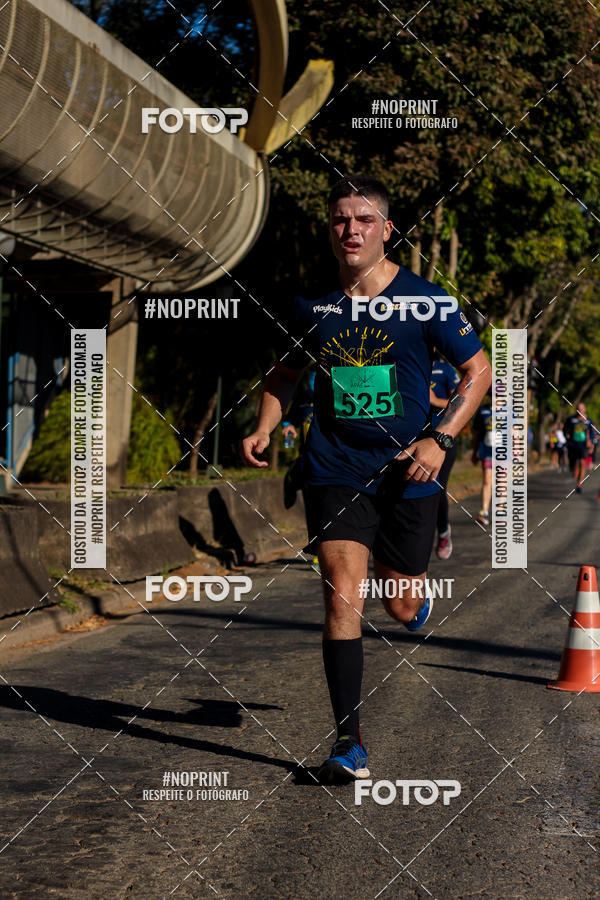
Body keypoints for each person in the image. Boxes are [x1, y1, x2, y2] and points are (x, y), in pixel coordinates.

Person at [240, 175, 491, 785]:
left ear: (386, 229)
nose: (350, 230)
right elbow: (285, 374)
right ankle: (348, 742)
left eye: (363, 220)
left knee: (398, 598)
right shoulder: (314, 307)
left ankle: (413, 594)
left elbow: (479, 370)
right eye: (339, 220)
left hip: (411, 465)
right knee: (339, 593)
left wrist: (440, 437)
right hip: (335, 465)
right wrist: (265, 426)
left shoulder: (427, 302)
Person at [429, 356, 460, 558]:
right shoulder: (406, 365)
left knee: (438, 487)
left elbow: (458, 403)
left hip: (443, 438)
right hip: (414, 437)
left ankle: (443, 532)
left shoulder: (445, 370)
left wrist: (433, 401)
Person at [471, 395, 493, 525]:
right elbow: (477, 434)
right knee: (486, 480)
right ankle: (484, 511)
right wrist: (474, 452)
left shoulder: (509, 411)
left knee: (501, 481)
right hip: (487, 452)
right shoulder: (482, 411)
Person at [564, 402, 594, 493]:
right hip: (573, 445)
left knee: (582, 463)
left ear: (584, 409)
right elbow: (565, 429)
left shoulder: (588, 420)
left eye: (582, 409)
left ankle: (579, 484)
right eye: (578, 409)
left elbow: (592, 432)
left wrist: (590, 442)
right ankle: (573, 469)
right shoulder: (571, 419)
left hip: (583, 445)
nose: (580, 411)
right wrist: (567, 435)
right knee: (573, 464)